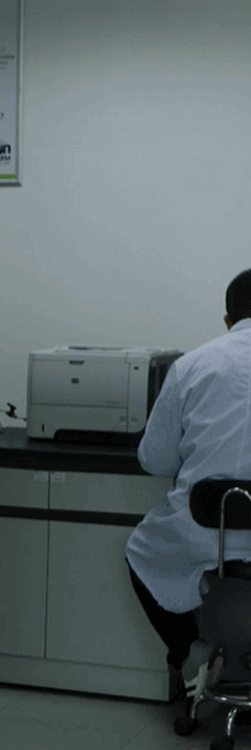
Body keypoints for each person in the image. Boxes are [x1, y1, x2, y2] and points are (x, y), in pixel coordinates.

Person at [126, 268, 251, 705]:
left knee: (141, 550)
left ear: (226, 319)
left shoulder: (193, 364)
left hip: (206, 527)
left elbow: (154, 459)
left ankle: (190, 653)